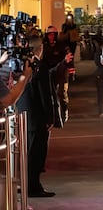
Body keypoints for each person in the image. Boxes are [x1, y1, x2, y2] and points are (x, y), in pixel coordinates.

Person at [16, 35, 56, 197]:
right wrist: (50, 117)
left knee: (27, 153)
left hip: (23, 114)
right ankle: (33, 187)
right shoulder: (40, 67)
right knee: (36, 154)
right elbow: (45, 95)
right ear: (40, 48)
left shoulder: (22, 65)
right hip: (37, 116)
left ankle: (26, 184)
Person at [43, 25, 73, 127]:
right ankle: (53, 116)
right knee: (50, 95)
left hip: (61, 74)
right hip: (48, 74)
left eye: (53, 35)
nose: (51, 37)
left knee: (62, 94)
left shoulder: (62, 46)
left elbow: (69, 59)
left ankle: (63, 115)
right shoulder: (44, 47)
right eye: (49, 35)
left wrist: (71, 72)